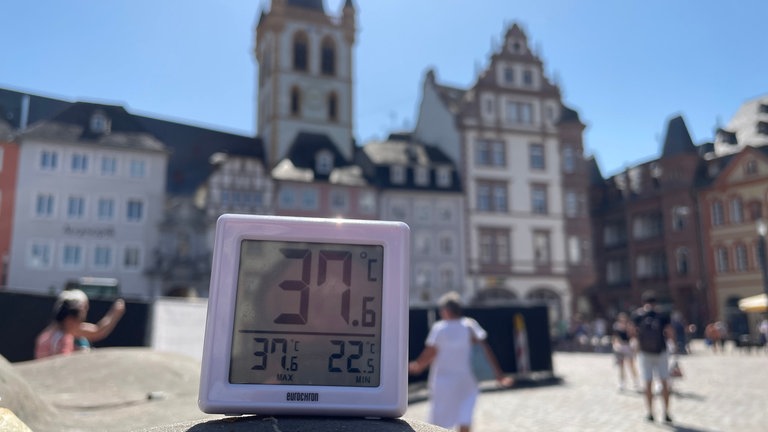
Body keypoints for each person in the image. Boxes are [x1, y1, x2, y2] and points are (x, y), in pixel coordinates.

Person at [408, 292, 513, 432]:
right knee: (465, 416)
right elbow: (486, 351)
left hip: (443, 380)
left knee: (439, 419)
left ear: (446, 310)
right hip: (467, 379)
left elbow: (430, 352)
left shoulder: (440, 328)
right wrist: (498, 374)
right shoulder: (470, 325)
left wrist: (418, 366)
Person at [34, 289, 125, 359]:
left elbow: (97, 331)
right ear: (69, 318)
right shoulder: (61, 337)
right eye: (82, 309)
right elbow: (98, 331)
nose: (84, 315)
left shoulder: (63, 333)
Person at [631, 290, 673, 425]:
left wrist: (637, 346)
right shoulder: (662, 315)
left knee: (647, 383)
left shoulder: (638, 315)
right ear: (656, 302)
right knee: (664, 381)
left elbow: (632, 332)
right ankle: (666, 412)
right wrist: (673, 347)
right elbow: (669, 332)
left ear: (643, 302)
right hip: (661, 351)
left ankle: (650, 413)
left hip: (645, 352)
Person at [612, 312, 639, 391]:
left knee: (631, 365)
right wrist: (616, 345)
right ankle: (622, 382)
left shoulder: (629, 326)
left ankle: (636, 382)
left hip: (628, 346)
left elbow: (633, 336)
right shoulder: (616, 327)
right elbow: (615, 337)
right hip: (620, 346)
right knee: (621, 366)